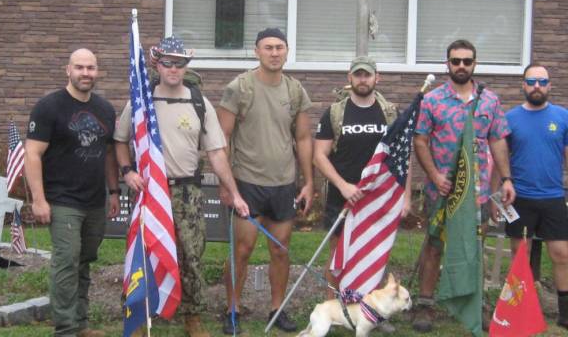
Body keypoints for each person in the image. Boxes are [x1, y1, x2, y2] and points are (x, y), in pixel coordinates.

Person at [114, 37, 249, 337]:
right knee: (144, 252)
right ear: (157, 64)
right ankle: (139, 315)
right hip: (149, 191)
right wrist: (126, 172)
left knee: (191, 255)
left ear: (186, 66)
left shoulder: (199, 102)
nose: (174, 69)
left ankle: (192, 317)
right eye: (168, 62)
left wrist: (234, 193)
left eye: (180, 63)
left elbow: (216, 152)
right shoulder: (141, 101)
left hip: (188, 193)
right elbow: (121, 139)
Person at [412, 39, 515, 333]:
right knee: (434, 245)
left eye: (466, 61)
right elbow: (420, 139)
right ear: (447, 64)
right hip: (441, 190)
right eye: (455, 61)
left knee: (474, 246)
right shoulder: (433, 100)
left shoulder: (490, 101)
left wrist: (506, 179)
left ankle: (473, 302)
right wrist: (433, 175)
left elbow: (497, 140)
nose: (461, 66)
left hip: (477, 191)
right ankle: (426, 304)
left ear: (474, 64)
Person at [218, 28, 314, 334]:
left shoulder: (295, 90)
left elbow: (302, 137)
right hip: (247, 182)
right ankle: (232, 309)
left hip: (283, 184)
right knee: (242, 251)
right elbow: (222, 139)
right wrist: (225, 184)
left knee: (280, 250)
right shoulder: (240, 87)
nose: (274, 53)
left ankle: (277, 309)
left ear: (287, 51)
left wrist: (308, 182)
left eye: (280, 47)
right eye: (268, 47)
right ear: (257, 51)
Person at [24, 48, 120, 337]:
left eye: (90, 68)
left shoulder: (105, 109)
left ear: (97, 71)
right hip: (62, 200)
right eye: (79, 67)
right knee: (67, 260)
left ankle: (81, 324)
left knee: (85, 260)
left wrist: (113, 192)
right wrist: (39, 200)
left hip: (94, 201)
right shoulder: (49, 107)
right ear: (68, 70)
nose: (85, 73)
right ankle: (65, 329)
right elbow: (32, 154)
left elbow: (109, 155)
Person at [314, 56, 409, 291]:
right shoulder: (335, 113)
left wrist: (405, 197)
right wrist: (343, 185)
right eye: (358, 74)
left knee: (373, 252)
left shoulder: (390, 113)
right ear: (350, 78)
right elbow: (319, 156)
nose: (363, 79)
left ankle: (368, 311)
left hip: (379, 197)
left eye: (367, 74)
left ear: (377, 78)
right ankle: (333, 309)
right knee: (338, 254)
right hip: (343, 195)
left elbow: (402, 159)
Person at [492, 64, 568, 329]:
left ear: (549, 86)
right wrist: (495, 194)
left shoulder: (562, 117)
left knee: (561, 254)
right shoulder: (509, 119)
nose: (537, 86)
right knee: (519, 254)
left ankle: (564, 312)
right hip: (520, 197)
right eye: (531, 81)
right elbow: (498, 159)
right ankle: (521, 307)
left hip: (553, 197)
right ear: (523, 85)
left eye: (542, 81)